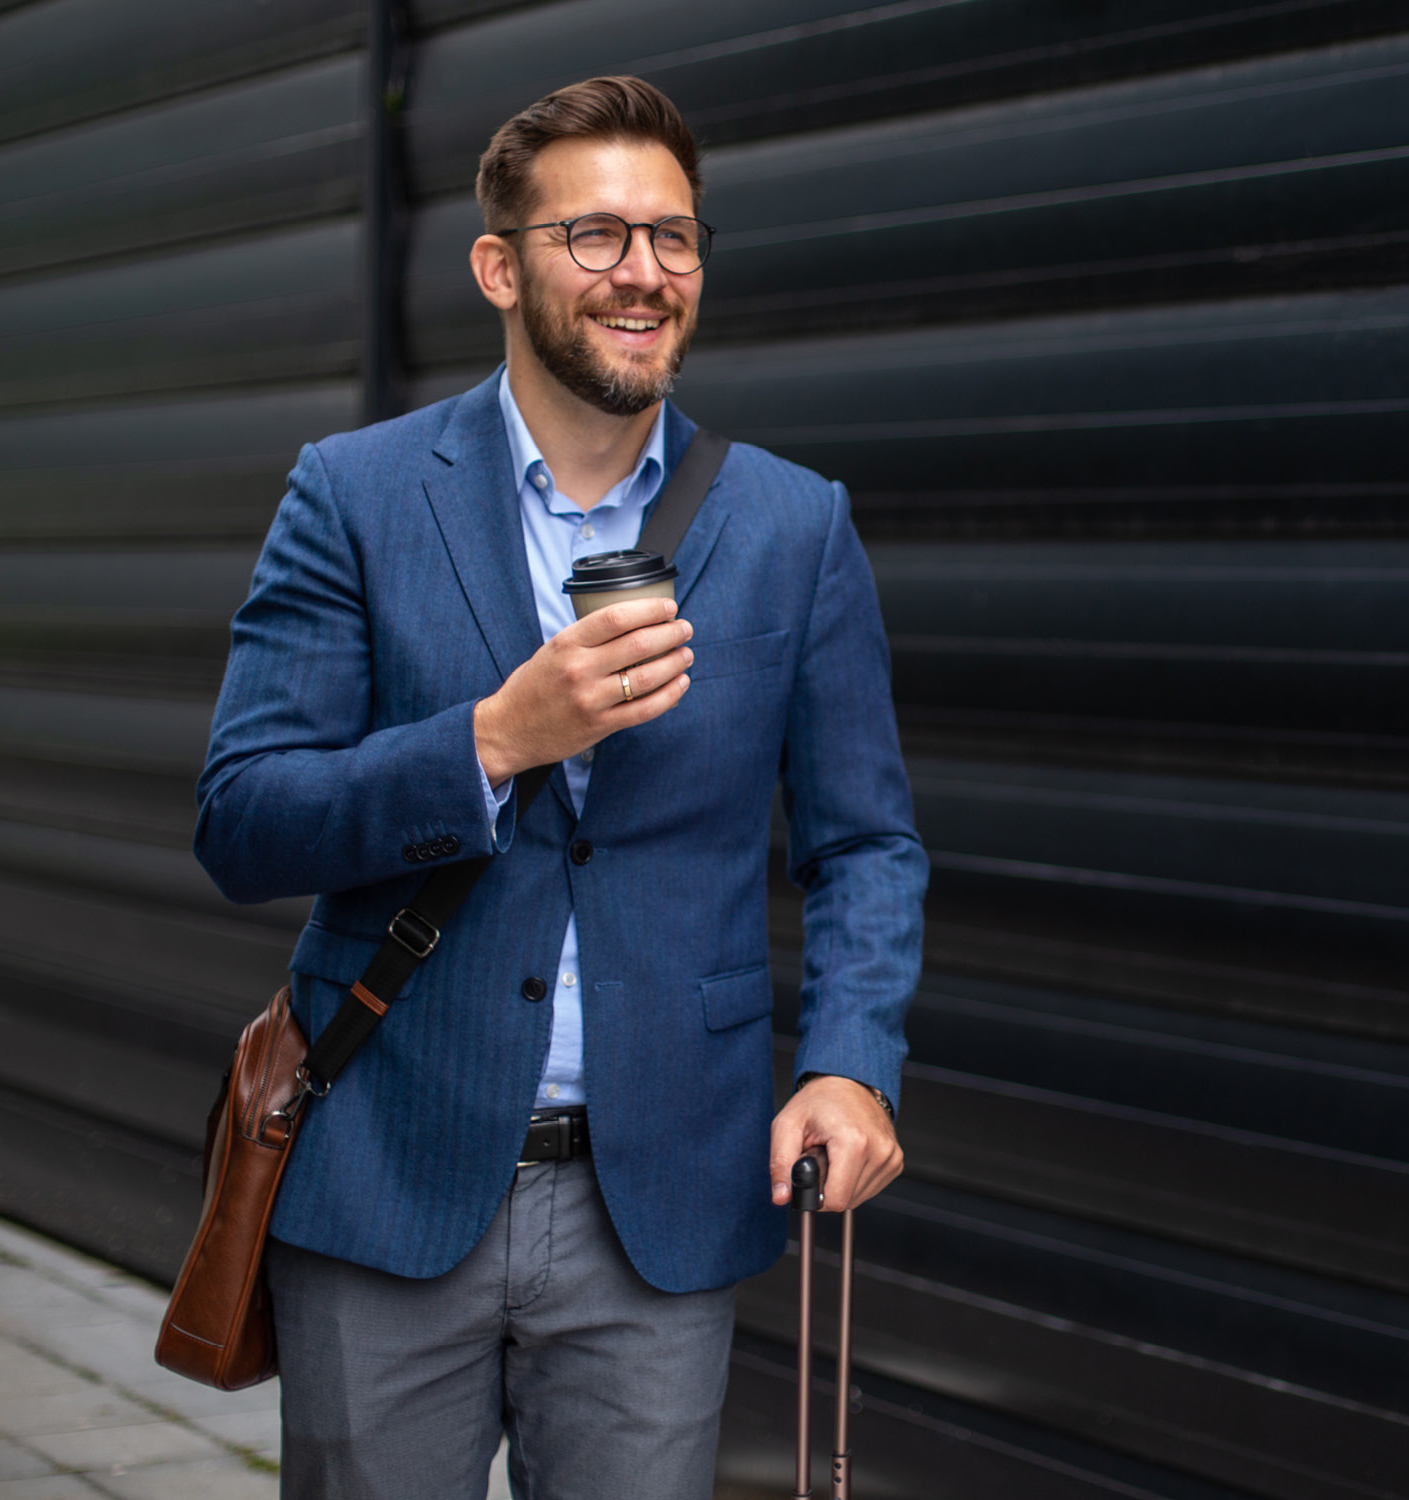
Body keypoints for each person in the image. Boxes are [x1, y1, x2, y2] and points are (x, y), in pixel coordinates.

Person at [194, 75, 926, 1500]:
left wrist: (851, 1060)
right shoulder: (353, 492)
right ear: (498, 265)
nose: (643, 272)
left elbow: (867, 842)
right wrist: (488, 740)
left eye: (674, 238)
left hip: (664, 1191)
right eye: (594, 235)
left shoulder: (793, 524)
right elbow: (243, 816)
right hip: (391, 1175)